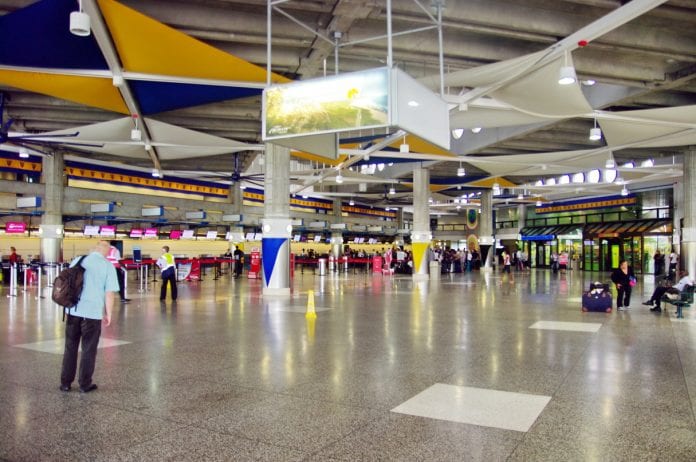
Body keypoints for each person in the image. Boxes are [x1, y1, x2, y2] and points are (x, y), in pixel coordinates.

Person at [60, 240, 119, 393]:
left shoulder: (78, 260)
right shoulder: (107, 266)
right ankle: (84, 384)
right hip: (92, 314)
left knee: (70, 347)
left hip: (73, 310)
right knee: (88, 349)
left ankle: (65, 383)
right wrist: (109, 314)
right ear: (105, 250)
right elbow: (110, 293)